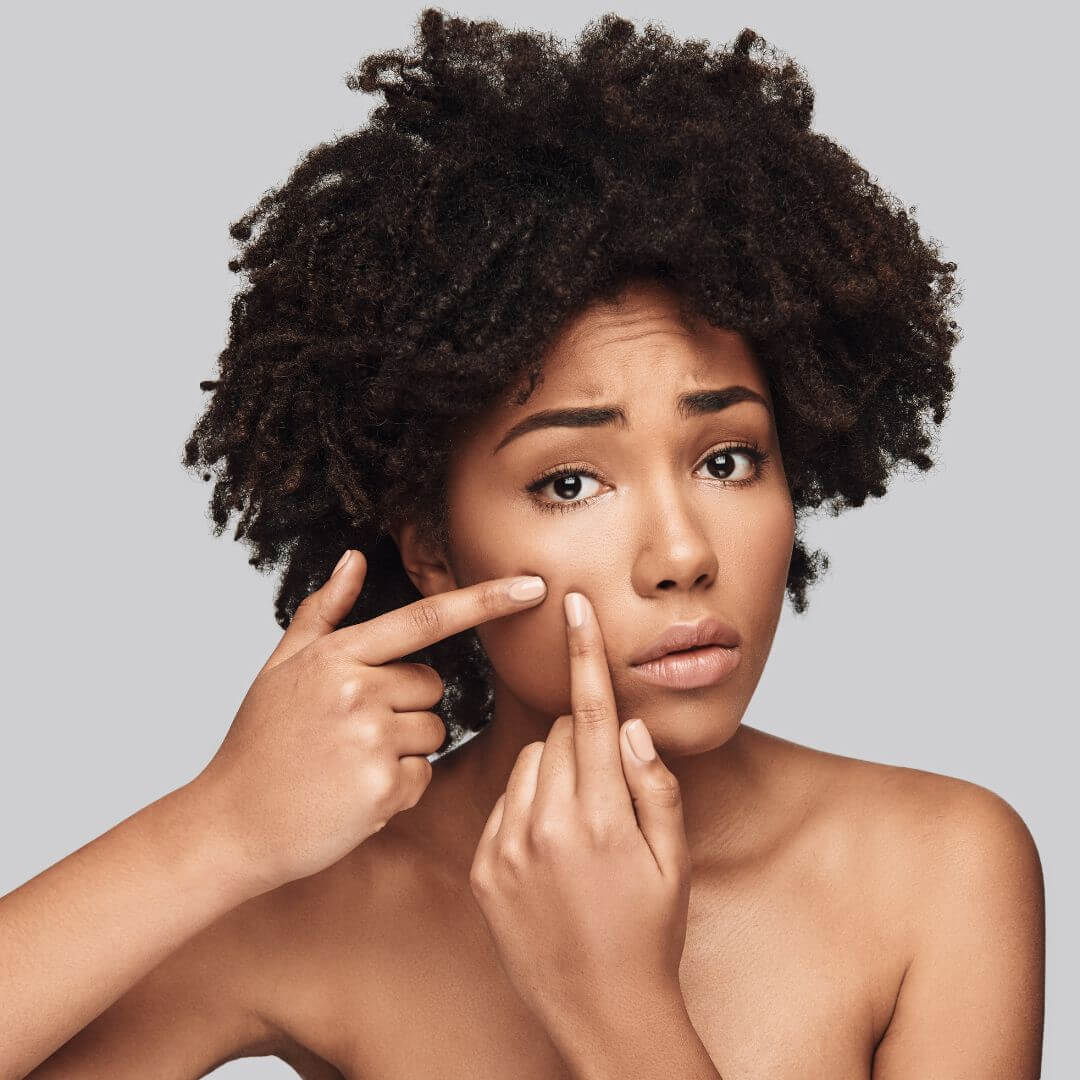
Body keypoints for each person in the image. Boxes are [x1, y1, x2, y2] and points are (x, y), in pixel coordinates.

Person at [1, 9, 1044, 1079]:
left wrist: (616, 1007)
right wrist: (214, 828)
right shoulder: (316, 910)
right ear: (435, 550)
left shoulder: (938, 870)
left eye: (728, 459)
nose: (681, 554)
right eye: (570, 482)